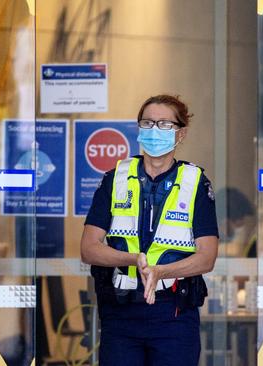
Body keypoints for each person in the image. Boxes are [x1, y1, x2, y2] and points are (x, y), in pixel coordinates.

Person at [80, 94, 219, 365]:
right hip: (121, 313)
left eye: (165, 125)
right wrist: (133, 259)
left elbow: (207, 256)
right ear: (139, 129)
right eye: (148, 123)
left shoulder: (195, 183)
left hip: (174, 313)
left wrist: (161, 272)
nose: (155, 130)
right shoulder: (115, 178)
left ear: (181, 134)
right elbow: (88, 248)